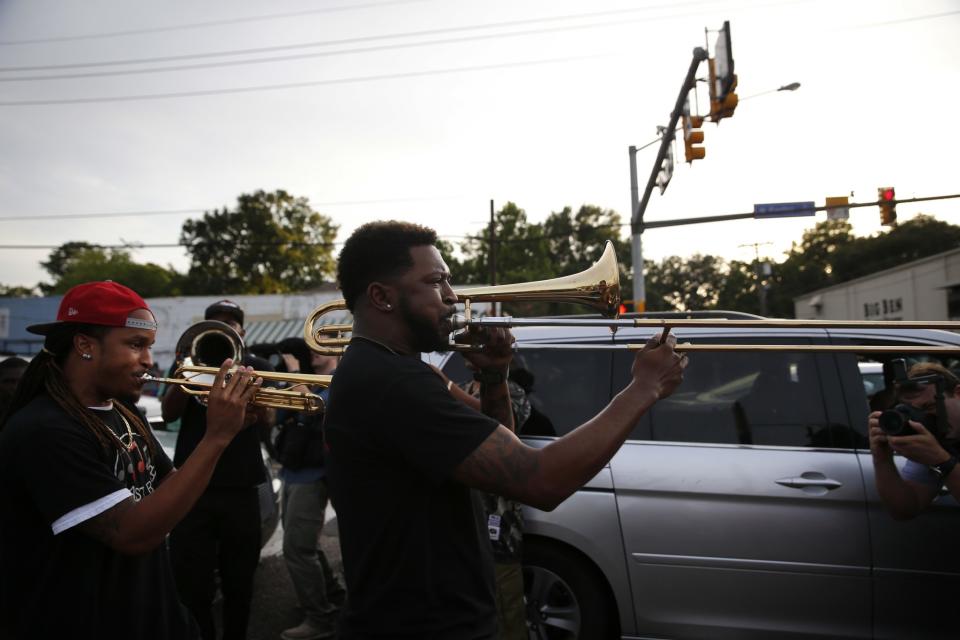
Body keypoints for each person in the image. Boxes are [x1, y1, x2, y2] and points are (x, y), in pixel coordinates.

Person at [324, 221, 687, 638]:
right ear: (381, 296)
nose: (452, 297)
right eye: (436, 281)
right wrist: (643, 389)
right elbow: (540, 481)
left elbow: (496, 452)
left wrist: (495, 378)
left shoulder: (389, 371)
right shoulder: (393, 383)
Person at [0, 281, 261, 639]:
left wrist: (227, 429)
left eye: (149, 347)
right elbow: (131, 534)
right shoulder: (45, 430)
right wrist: (216, 438)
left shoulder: (122, 411)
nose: (149, 361)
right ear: (84, 345)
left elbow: (170, 487)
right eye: (136, 345)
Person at [164, 299, 275, 640]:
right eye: (218, 321)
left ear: (241, 331)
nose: (226, 326)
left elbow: (268, 422)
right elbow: (169, 414)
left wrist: (255, 398)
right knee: (192, 585)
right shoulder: (187, 363)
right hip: (193, 488)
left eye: (232, 322)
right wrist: (188, 373)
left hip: (241, 486)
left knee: (239, 583)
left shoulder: (254, 365)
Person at [436, 358, 531, 640]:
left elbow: (498, 426)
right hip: (462, 514)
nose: (469, 356)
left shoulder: (510, 390)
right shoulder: (463, 387)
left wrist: (448, 386)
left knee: (506, 605)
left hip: (499, 520)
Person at [273, 337, 346, 640]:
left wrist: (292, 376)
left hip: (314, 476)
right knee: (304, 545)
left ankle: (320, 618)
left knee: (297, 549)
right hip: (293, 471)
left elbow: (313, 409)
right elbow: (281, 415)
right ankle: (334, 596)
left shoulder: (339, 384)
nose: (312, 352)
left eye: (320, 347)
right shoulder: (309, 382)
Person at [869, 362, 960, 520]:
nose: (926, 418)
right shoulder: (934, 439)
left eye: (930, 406)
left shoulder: (936, 451)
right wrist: (882, 459)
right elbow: (906, 509)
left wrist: (942, 462)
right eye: (916, 412)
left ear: (958, 393)